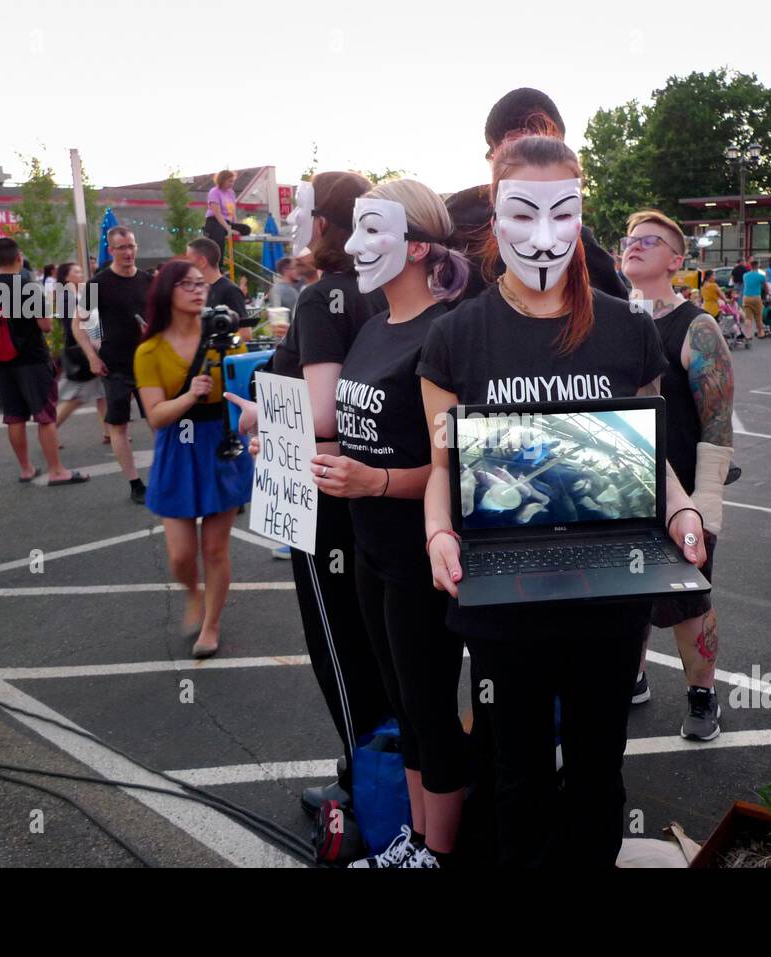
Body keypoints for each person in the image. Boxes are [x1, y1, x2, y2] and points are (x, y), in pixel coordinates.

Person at [418, 130, 709, 867]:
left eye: (562, 214)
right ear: (493, 211)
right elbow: (440, 468)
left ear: (582, 213)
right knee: (513, 777)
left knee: (596, 771)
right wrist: (438, 535)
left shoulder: (624, 327)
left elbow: (652, 459)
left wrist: (680, 509)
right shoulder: (455, 339)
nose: (542, 238)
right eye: (521, 215)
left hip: (609, 597)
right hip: (501, 601)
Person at [317, 178, 472, 868]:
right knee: (404, 707)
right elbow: (358, 432)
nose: (351, 246)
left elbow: (458, 467)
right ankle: (414, 837)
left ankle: (440, 852)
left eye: (370, 230)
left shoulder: (445, 333)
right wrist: (301, 451)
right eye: (352, 228)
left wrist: (374, 479)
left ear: (416, 245)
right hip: (370, 550)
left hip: (420, 559)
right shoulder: (375, 325)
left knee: (431, 708)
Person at [269, 170, 393, 813]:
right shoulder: (388, 289)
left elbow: (323, 414)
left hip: (324, 498)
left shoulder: (323, 297)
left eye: (302, 209)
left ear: (325, 221)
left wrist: (263, 416)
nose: (295, 221)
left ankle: (368, 786)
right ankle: (396, 779)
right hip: (388, 498)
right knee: (386, 646)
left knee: (341, 648)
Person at [619, 209, 735, 741]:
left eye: (650, 240)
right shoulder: (614, 319)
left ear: (676, 260)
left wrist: (705, 502)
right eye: (630, 239)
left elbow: (717, 422)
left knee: (689, 600)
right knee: (625, 594)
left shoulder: (697, 327)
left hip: (682, 493)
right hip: (623, 490)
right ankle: (634, 679)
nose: (635, 246)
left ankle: (703, 696)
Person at [135, 260, 252, 659]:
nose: (197, 289)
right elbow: (155, 416)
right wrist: (189, 395)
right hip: (177, 447)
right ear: (167, 291)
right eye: (186, 284)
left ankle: (211, 624)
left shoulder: (225, 339)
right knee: (181, 555)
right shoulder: (149, 350)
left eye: (201, 283)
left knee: (215, 549)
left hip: (221, 442)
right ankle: (193, 594)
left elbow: (247, 384)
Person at [445, 88, 626, 303]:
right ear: (494, 154)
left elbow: (618, 311)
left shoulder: (577, 238)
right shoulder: (455, 218)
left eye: (547, 145)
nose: (535, 156)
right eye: (520, 143)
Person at [0, 238, 87, 486]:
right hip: (31, 358)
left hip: (3, 361)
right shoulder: (28, 286)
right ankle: (56, 470)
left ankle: (26, 468)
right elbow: (45, 325)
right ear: (19, 258)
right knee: (44, 415)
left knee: (14, 417)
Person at [81, 226, 150, 504]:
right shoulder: (97, 284)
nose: (128, 252)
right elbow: (80, 325)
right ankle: (135, 483)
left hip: (148, 364)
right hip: (115, 364)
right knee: (119, 425)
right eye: (121, 247)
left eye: (131, 246)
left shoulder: (148, 280)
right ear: (111, 251)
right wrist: (92, 356)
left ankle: (170, 476)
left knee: (160, 421)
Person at [52, 262, 110, 442]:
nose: (81, 274)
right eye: (76, 271)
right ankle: (49, 432)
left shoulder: (79, 293)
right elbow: (73, 327)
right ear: (66, 277)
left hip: (91, 348)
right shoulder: (67, 297)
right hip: (82, 350)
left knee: (102, 393)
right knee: (77, 397)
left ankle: (109, 431)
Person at [185, 237, 251, 341]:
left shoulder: (230, 291)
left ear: (202, 261)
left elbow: (245, 334)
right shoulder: (199, 291)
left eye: (189, 261)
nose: (186, 266)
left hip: (220, 355)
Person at [202, 170, 250, 267]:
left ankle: (226, 231)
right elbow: (217, 214)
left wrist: (234, 225)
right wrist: (229, 229)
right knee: (219, 238)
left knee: (246, 229)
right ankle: (218, 266)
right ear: (222, 180)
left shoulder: (231, 193)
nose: (232, 184)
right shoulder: (214, 192)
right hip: (215, 221)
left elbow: (232, 211)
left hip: (227, 222)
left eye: (233, 181)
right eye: (230, 181)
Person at [741, 260, 768, 339]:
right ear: (758, 266)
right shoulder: (761, 276)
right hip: (756, 297)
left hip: (746, 297)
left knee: (748, 317)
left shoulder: (745, 275)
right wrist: (768, 293)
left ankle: (748, 335)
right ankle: (760, 333)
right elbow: (765, 287)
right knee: (758, 316)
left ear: (750, 266)